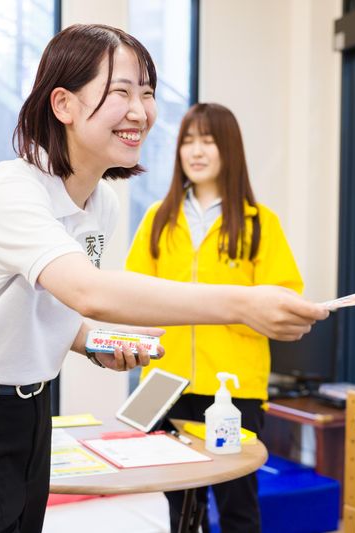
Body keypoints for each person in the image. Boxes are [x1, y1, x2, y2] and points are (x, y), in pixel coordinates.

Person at [0, 24, 327, 533]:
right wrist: (243, 303)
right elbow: (90, 292)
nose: (140, 111)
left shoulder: (103, 203)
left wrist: (92, 342)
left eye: (147, 93)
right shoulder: (10, 191)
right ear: (63, 104)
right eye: (121, 91)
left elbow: (55, 306)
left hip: (29, 413)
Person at [125, 102, 304, 532]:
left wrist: (231, 310)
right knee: (179, 508)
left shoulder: (260, 224)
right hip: (165, 385)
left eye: (207, 140)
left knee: (238, 505)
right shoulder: (158, 219)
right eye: (188, 141)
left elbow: (285, 302)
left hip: (234, 390)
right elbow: (131, 295)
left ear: (229, 148)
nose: (196, 150)